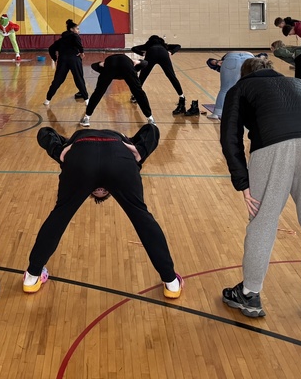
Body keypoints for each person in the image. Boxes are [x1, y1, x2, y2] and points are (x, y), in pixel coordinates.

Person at [218, 56, 301, 320]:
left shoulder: (240, 88)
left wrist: (242, 181)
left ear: (245, 74)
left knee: (262, 222)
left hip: (272, 147)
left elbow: (230, 135)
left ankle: (250, 294)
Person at [23, 124, 183, 300]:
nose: (100, 186)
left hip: (82, 157)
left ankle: (32, 276)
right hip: (119, 160)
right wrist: (141, 151)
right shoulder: (124, 144)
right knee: (142, 219)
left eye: (98, 189)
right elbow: (152, 129)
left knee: (59, 217)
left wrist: (58, 150)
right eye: (103, 189)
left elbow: (44, 132)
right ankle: (170, 281)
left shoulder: (72, 145)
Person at [82, 54, 153, 127]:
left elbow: (93, 65)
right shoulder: (132, 67)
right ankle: (150, 118)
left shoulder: (107, 67)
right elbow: (145, 63)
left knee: (98, 92)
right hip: (125, 63)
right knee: (138, 92)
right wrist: (137, 61)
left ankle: (86, 118)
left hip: (111, 63)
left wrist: (100, 64)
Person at [131, 35, 186, 114]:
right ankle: (182, 97)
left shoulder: (148, 45)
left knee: (143, 76)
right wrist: (171, 52)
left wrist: (142, 53)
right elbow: (178, 46)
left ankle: (135, 96)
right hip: (163, 53)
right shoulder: (164, 45)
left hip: (151, 53)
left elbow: (134, 48)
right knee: (171, 76)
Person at [206, 51, 265, 120]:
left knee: (224, 89)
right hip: (249, 58)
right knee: (250, 89)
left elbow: (210, 61)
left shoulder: (222, 67)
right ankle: (254, 112)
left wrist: (216, 62)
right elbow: (263, 55)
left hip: (231, 58)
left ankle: (217, 113)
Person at [44, 19, 87, 106]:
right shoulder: (75, 36)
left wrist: (55, 59)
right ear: (71, 29)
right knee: (79, 79)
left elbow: (51, 48)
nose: (79, 31)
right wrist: (82, 52)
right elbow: (78, 43)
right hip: (75, 59)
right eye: (77, 29)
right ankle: (87, 100)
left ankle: (47, 100)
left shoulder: (61, 40)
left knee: (57, 81)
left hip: (62, 60)